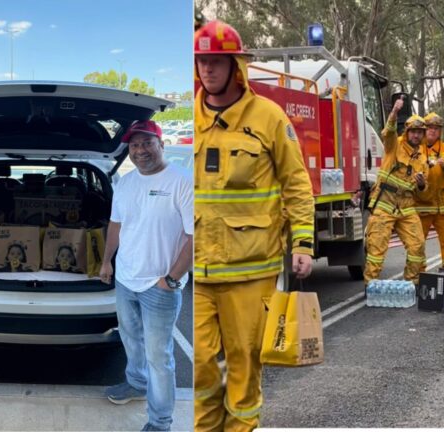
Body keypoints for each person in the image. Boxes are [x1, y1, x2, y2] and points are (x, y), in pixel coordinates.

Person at [193, 20, 315, 432]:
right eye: (202, 62)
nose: (207, 70)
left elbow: (297, 184)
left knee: (245, 363)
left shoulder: (268, 118)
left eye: (215, 62)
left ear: (235, 66)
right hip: (196, 271)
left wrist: (303, 243)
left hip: (251, 270)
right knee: (198, 363)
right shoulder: (188, 122)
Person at [99, 120, 192, 432]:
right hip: (126, 279)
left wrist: (172, 279)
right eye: (134, 145)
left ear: (161, 144)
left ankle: (161, 422)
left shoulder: (182, 182)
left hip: (159, 286)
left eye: (146, 143)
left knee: (159, 357)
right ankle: (136, 384)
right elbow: (116, 226)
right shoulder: (125, 183)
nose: (140, 151)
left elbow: (197, 237)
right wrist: (107, 262)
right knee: (131, 339)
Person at [364, 97, 428, 285]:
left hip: (407, 207)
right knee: (376, 249)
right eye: (413, 131)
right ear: (407, 132)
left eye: (420, 133)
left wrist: (422, 185)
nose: (416, 136)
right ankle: (371, 285)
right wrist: (394, 113)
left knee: (418, 246)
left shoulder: (422, 159)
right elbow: (388, 131)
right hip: (385, 204)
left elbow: (423, 192)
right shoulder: (395, 145)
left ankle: (412, 283)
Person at [415, 112, 444, 269]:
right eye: (430, 128)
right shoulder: (417, 147)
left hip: (442, 204)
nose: (433, 131)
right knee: (418, 242)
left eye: (436, 128)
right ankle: (418, 275)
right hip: (423, 204)